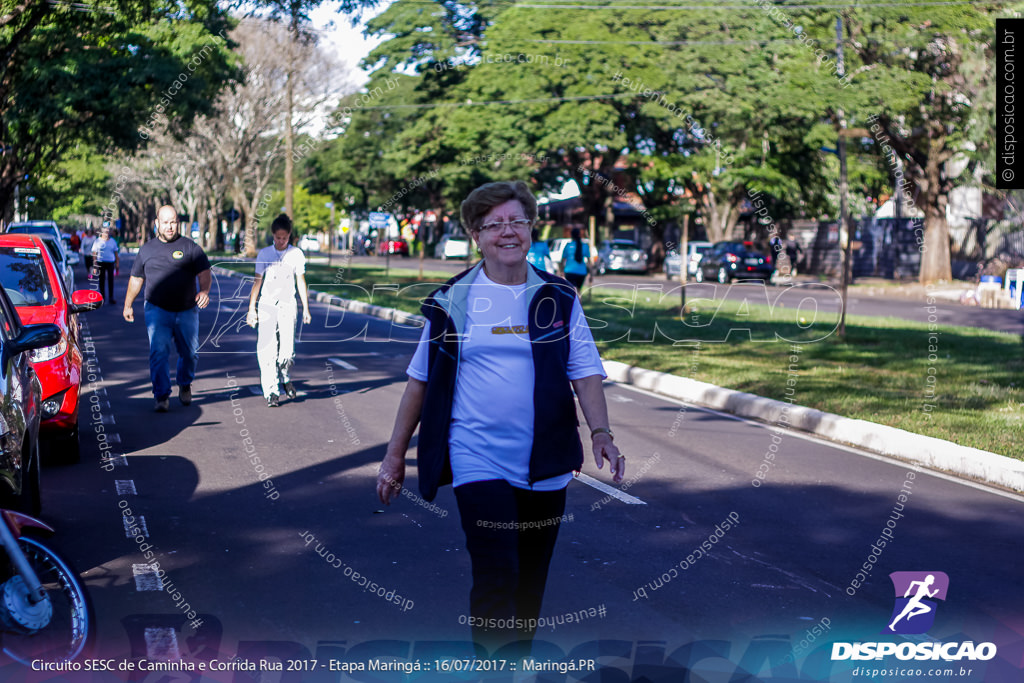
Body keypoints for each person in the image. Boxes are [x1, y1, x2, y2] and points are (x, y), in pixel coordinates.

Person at [376, 181, 625, 656]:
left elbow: (585, 370)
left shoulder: (558, 296)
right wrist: (393, 457)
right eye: (494, 224)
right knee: (497, 571)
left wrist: (601, 433)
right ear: (476, 235)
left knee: (530, 581)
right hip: (477, 457)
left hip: (546, 462)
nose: (507, 232)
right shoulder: (453, 301)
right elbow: (419, 382)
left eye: (517, 221)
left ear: (531, 228)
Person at [122, 206, 211, 412]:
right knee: (158, 352)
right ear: (157, 224)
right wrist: (128, 304)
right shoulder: (147, 250)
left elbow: (204, 271)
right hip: (157, 310)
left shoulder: (190, 247)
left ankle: (185, 382)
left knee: (190, 353)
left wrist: (204, 291)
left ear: (178, 222)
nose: (170, 227)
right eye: (165, 222)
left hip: (187, 310)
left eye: (173, 222)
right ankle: (162, 395)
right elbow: (136, 279)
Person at [246, 214, 312, 407]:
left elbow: (301, 281)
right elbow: (257, 282)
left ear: (289, 235)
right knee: (267, 350)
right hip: (267, 305)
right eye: (277, 238)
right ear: (272, 235)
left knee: (286, 352)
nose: (281, 241)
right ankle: (271, 391)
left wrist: (305, 308)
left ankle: (284, 376)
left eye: (284, 238)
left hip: (287, 305)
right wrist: (252, 309)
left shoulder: (296, 254)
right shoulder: (264, 254)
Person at [91, 226, 120, 304]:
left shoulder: (112, 241)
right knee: (101, 280)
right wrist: (95, 264)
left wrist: (117, 264)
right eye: (105, 232)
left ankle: (111, 297)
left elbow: (116, 254)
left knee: (111, 280)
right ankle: (102, 297)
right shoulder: (97, 241)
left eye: (108, 232)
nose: (107, 233)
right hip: (101, 262)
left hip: (110, 262)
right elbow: (94, 254)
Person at [560, 227, 590, 291]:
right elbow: (589, 262)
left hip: (569, 271)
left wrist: (561, 271)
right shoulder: (585, 246)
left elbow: (562, 260)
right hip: (582, 272)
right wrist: (591, 274)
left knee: (571, 291)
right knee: (578, 291)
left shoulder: (568, 245)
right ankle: (579, 301)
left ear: (571, 235)